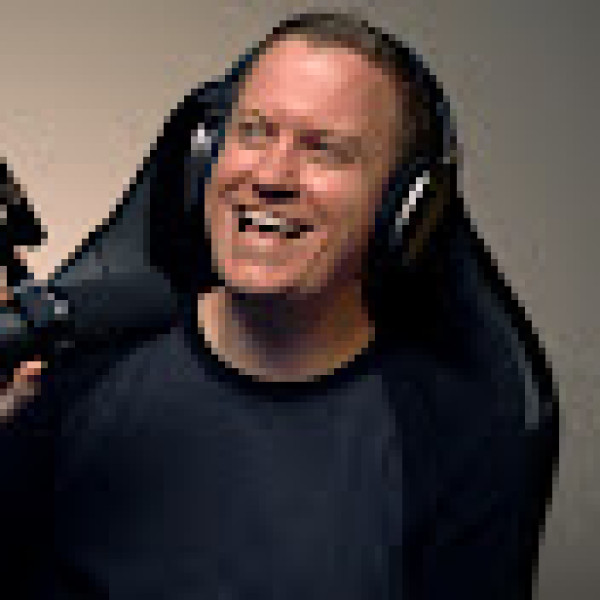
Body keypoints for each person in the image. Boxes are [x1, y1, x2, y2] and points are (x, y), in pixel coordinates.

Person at [0, 11, 558, 599]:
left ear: (406, 208)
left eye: (325, 150)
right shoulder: (70, 372)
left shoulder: (458, 438)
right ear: (204, 158)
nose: (270, 175)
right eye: (253, 132)